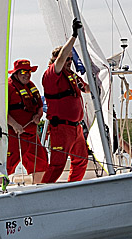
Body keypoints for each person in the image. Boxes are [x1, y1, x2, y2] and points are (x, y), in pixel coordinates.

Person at [40, 19, 90, 184]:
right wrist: (74, 36)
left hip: (76, 128)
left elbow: (87, 89)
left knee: (82, 160)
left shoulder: (71, 75)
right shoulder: (51, 74)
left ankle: (73, 186)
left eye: (70, 59)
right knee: (57, 165)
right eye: (66, 59)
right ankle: (43, 190)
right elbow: (60, 60)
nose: (68, 62)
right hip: (61, 128)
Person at [6, 58, 47, 182]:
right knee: (6, 165)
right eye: (24, 72)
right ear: (16, 74)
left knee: (41, 163)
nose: (27, 75)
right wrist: (14, 124)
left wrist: (38, 116)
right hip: (14, 135)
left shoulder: (31, 86)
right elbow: (1, 112)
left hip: (32, 135)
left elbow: (40, 107)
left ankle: (38, 190)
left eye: (29, 72)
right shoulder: (7, 87)